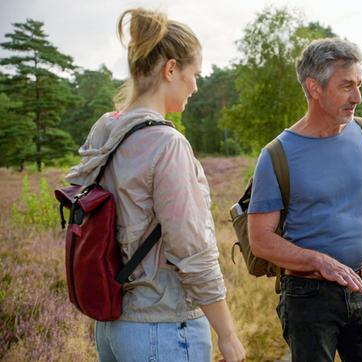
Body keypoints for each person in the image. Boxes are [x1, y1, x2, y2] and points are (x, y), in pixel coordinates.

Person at [65, 8, 245, 362]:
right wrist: (227, 333)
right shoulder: (166, 143)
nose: (195, 86)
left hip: (113, 328)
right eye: (195, 74)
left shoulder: (106, 130)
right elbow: (191, 248)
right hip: (164, 328)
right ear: (171, 69)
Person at [246, 38, 362, 362]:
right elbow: (260, 239)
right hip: (307, 295)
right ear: (314, 88)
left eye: (359, 85)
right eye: (347, 86)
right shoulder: (276, 155)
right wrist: (318, 261)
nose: (357, 97)